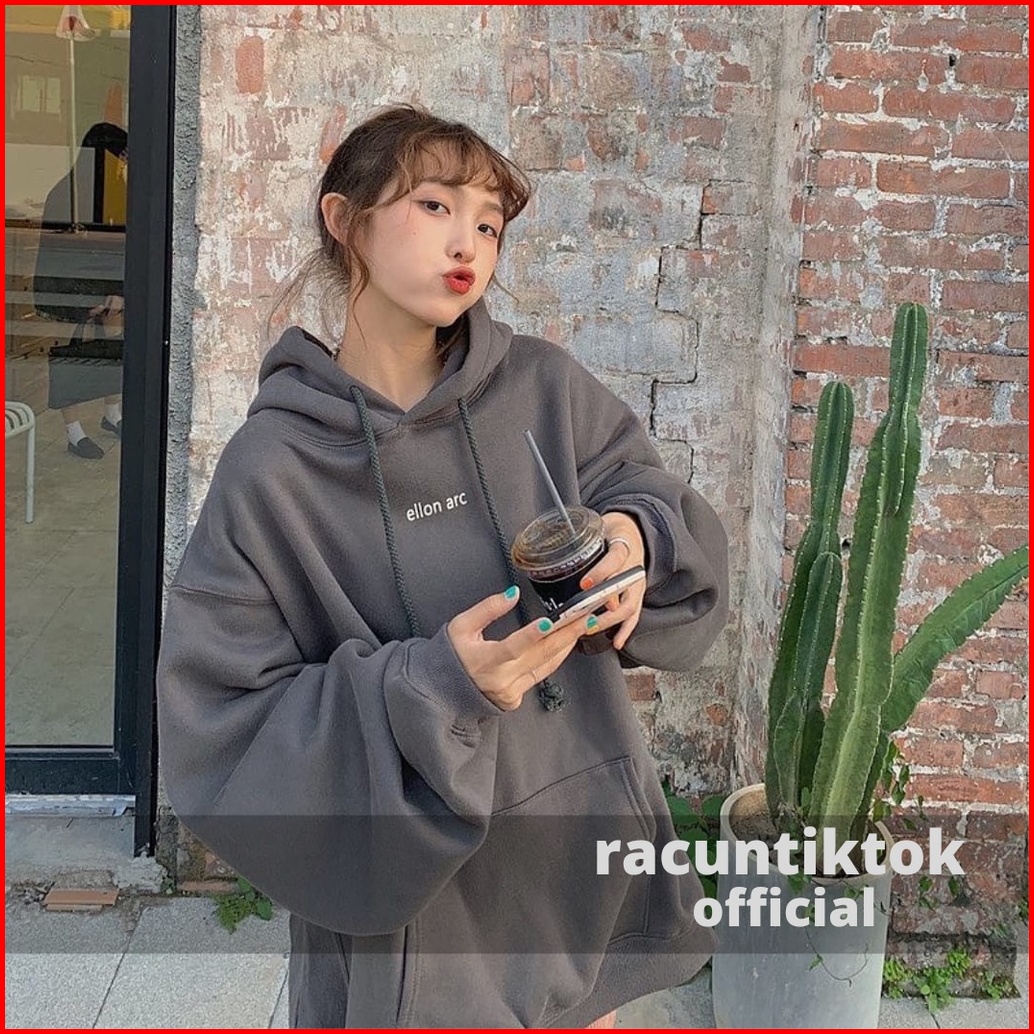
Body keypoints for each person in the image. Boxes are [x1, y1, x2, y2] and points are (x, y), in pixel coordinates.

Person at [156, 104, 729, 1029]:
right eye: (434, 206)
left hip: (572, 872)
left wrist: (634, 538)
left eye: (490, 224)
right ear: (345, 221)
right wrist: (439, 687)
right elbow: (219, 722)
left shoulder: (543, 388)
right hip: (411, 922)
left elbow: (652, 502)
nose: (468, 242)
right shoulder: (272, 471)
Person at [33, 121, 127, 459]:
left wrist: (118, 290)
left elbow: (117, 247)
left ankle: (112, 413)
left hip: (106, 292)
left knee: (115, 348)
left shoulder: (114, 191)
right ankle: (73, 431)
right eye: (121, 156)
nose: (125, 164)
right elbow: (60, 259)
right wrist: (88, 296)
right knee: (70, 355)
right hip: (67, 290)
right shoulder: (66, 194)